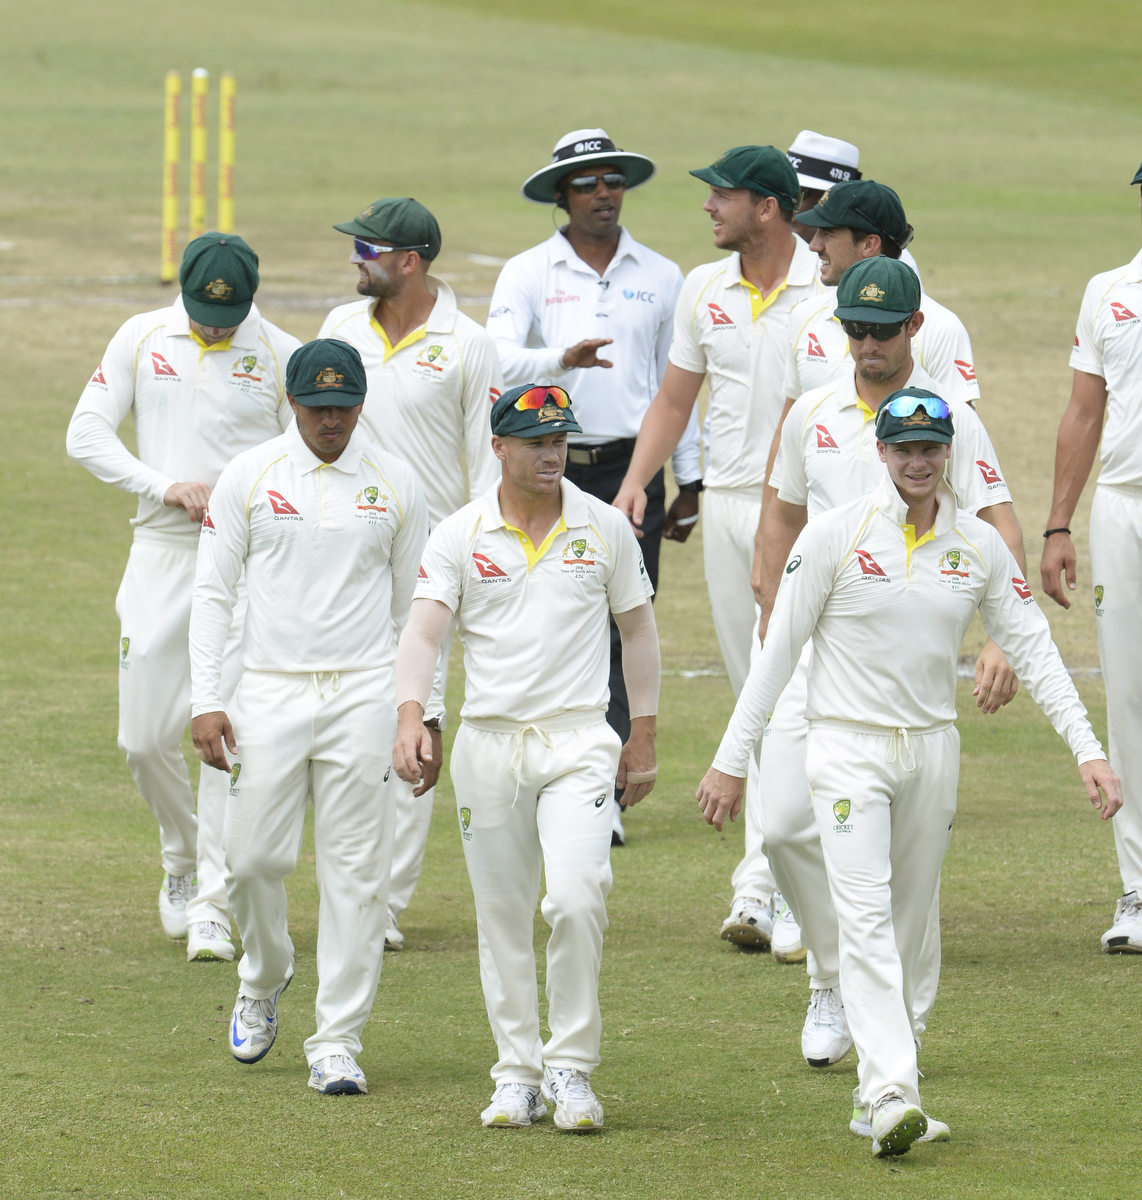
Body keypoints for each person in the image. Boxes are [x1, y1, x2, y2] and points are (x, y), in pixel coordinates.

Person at [699, 390, 1121, 1157]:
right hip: (846, 748)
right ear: (881, 453)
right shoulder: (834, 536)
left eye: (931, 448)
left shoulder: (978, 548)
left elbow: (1031, 646)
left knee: (911, 923)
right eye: (904, 449)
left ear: (948, 453)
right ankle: (894, 1092)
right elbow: (778, 653)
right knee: (864, 918)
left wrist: (1087, 749)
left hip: (931, 749)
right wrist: (733, 763)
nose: (918, 462)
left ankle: (883, 1080)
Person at [758, 256, 1025, 1068]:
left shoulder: (949, 419)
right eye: (853, 329)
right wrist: (775, 617)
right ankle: (835, 978)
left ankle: (881, 1012)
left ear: (914, 328)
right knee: (778, 828)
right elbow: (778, 520)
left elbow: (995, 520)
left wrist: (998, 638)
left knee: (902, 862)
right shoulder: (812, 411)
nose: (866, 344)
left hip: (897, 663)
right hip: (814, 647)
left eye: (881, 330)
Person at [393, 384, 659, 1131]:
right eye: (537, 442)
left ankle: (571, 1069)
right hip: (489, 745)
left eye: (561, 442)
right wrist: (414, 715)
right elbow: (422, 635)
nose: (552, 455)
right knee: (503, 915)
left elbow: (637, 632)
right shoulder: (459, 534)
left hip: (578, 740)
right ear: (500, 447)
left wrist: (643, 733)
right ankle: (517, 1074)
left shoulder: (603, 527)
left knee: (577, 897)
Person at [189, 339, 429, 1096]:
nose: (332, 420)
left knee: (357, 877)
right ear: (291, 403)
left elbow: (417, 617)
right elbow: (212, 592)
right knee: (251, 860)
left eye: (345, 406)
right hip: (268, 688)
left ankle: (337, 1041)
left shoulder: (395, 481)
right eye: (318, 407)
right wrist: (206, 698)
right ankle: (265, 974)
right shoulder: (250, 476)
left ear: (363, 404)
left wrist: (424, 714)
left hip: (362, 692)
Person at [66, 233, 300, 962]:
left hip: (242, 567)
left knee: (219, 736)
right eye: (204, 316)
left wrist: (247, 510)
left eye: (228, 320)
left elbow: (305, 459)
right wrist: (162, 484)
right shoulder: (142, 337)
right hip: (161, 553)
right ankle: (181, 856)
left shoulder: (283, 354)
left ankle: (210, 902)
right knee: (141, 740)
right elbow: (85, 433)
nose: (215, 329)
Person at [613, 145, 822, 950]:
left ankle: (789, 887)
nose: (707, 207)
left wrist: (791, 517)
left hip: (802, 515)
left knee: (797, 699)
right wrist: (637, 480)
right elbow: (674, 399)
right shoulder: (705, 289)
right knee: (756, 698)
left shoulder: (822, 289)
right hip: (731, 510)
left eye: (722, 196)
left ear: (767, 207)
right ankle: (765, 887)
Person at [487, 128, 699, 845]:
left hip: (631, 468)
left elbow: (680, 387)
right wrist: (561, 360)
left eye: (613, 181)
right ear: (561, 195)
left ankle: (602, 788)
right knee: (542, 616)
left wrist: (690, 477)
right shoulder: (526, 272)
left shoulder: (663, 274)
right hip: (542, 464)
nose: (604, 193)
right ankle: (534, 771)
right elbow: (499, 362)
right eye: (587, 183)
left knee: (621, 621)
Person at [318, 197, 502, 952]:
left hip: (427, 561)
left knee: (415, 713)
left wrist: (481, 562)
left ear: (410, 261)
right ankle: (347, 883)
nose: (356, 258)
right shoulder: (338, 329)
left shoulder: (468, 344)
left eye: (369, 248)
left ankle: (382, 904)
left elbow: (489, 465)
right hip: (338, 551)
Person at [1041, 159, 1142, 953]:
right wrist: (1057, 526)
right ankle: (1138, 890)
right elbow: (1083, 413)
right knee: (1130, 696)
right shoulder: (1109, 291)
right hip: (1123, 506)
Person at [785, 131, 922, 283]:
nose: (787, 205)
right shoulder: (775, 249)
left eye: (800, 193)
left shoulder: (896, 266)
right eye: (783, 192)